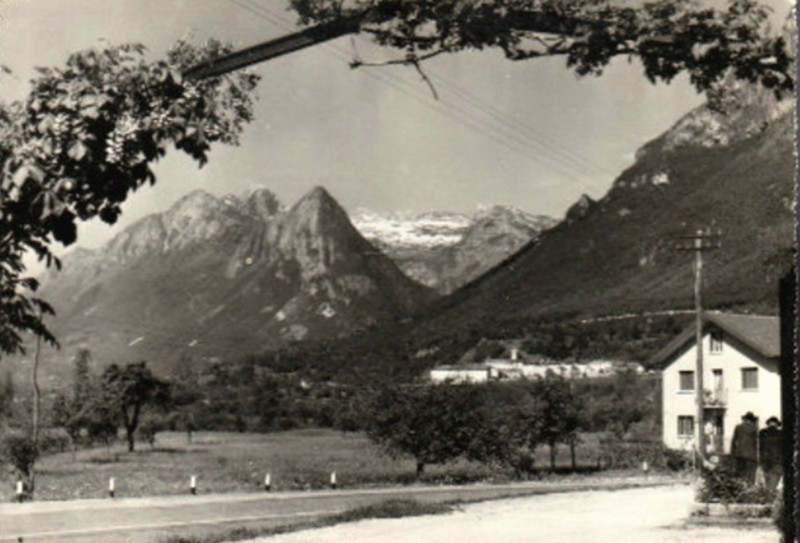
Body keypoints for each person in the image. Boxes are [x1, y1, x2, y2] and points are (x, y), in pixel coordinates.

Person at [730, 412, 758, 484]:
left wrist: (733, 453)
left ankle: (741, 490)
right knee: (750, 477)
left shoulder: (738, 427)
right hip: (751, 457)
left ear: (745, 419)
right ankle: (750, 490)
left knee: (740, 475)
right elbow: (756, 443)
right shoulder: (754, 428)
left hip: (740, 455)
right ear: (752, 420)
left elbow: (734, 441)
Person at [758, 416, 782, 493]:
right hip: (777, 459)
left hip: (765, 458)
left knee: (767, 478)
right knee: (774, 478)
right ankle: (771, 493)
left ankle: (769, 493)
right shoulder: (781, 433)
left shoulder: (762, 432)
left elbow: (760, 447)